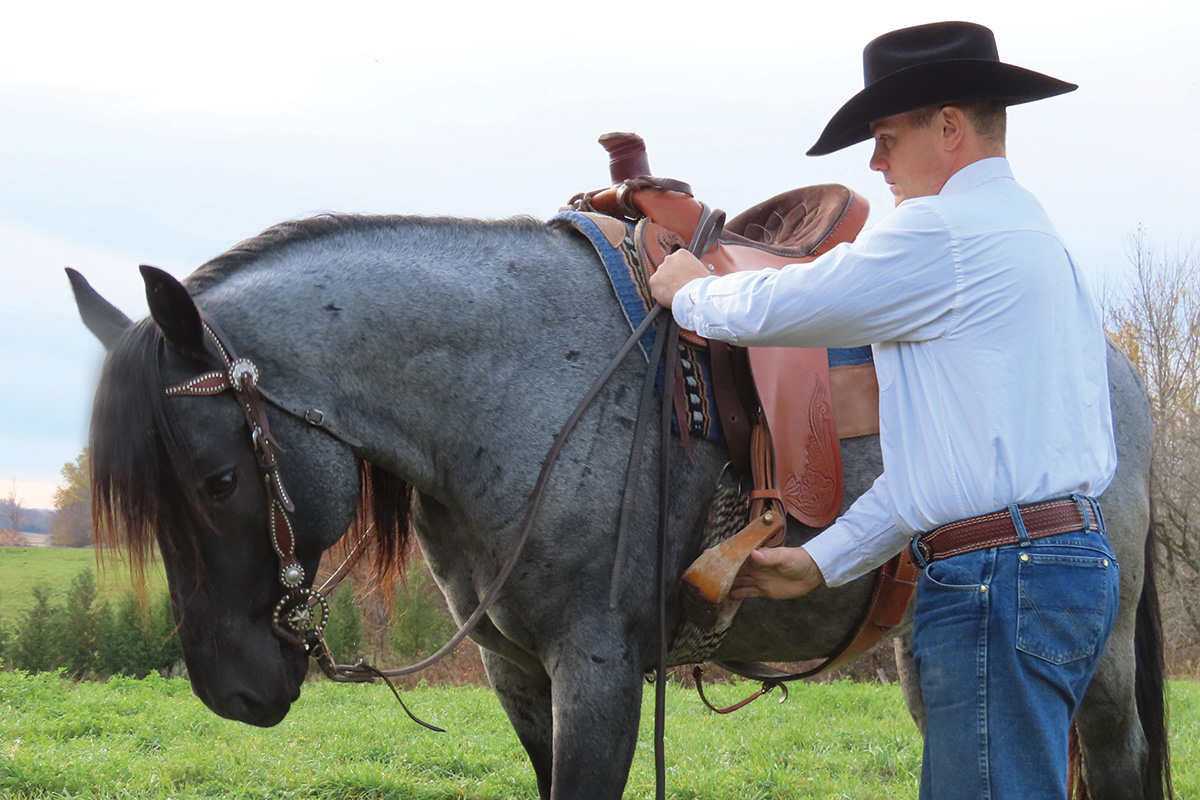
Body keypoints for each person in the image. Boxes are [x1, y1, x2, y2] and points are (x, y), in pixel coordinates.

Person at [649, 21, 1120, 800]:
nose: (875, 163)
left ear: (947, 127)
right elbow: (938, 480)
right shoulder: (1037, 236)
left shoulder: (945, 230)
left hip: (995, 579)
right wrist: (821, 560)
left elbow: (804, 300)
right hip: (1053, 565)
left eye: (886, 137)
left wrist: (691, 292)